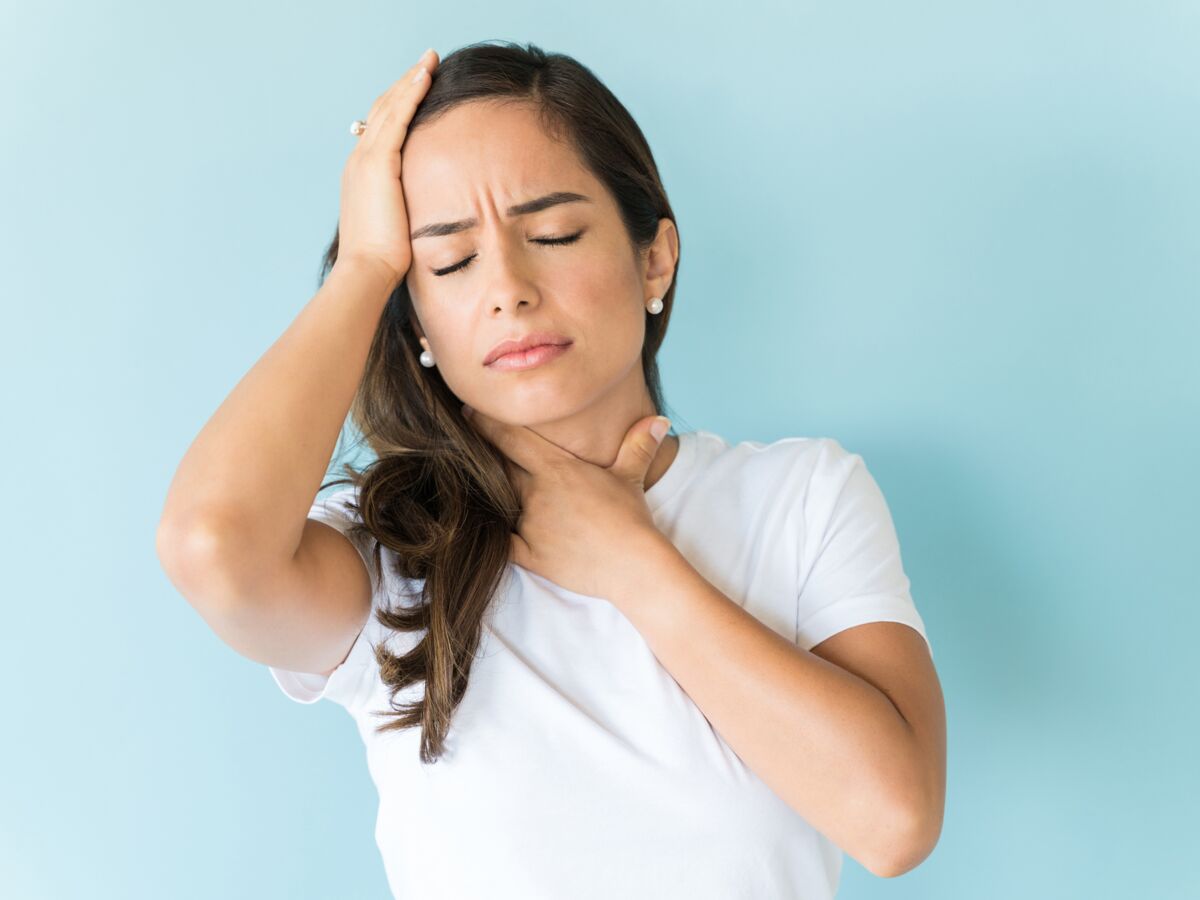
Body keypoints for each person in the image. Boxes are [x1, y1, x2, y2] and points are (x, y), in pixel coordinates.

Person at [156, 40, 946, 900]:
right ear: (416, 321)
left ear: (655, 257)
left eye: (553, 234)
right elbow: (210, 546)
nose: (509, 288)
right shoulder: (391, 554)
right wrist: (364, 266)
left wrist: (631, 561)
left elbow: (893, 822)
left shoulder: (802, 498)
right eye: (449, 261)